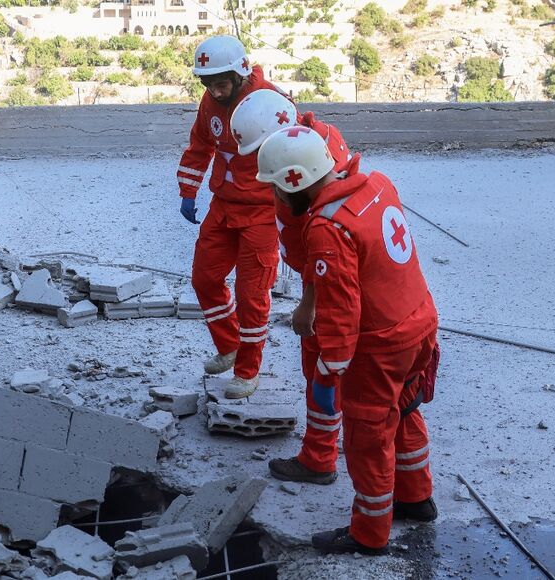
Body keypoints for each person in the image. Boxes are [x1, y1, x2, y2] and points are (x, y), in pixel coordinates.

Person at [256, 126, 441, 555]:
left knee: (367, 435)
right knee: (406, 408)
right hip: (418, 322)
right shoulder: (376, 183)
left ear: (296, 181)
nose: (278, 202)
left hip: (381, 345)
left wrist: (328, 371)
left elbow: (341, 316)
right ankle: (416, 498)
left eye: (279, 192)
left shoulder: (327, 228)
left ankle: (369, 533)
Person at [230, 89, 351, 485]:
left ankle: (320, 457)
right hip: (343, 276)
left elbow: (323, 248)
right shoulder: (321, 145)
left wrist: (309, 304)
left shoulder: (299, 185)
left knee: (321, 370)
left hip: (330, 284)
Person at [176, 36, 289, 399]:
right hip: (223, 206)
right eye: (207, 83)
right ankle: (230, 344)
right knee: (204, 278)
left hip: (261, 213)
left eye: (220, 82)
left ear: (240, 72)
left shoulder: (271, 101)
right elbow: (200, 145)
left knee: (251, 294)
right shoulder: (210, 102)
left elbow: (295, 153)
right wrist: (188, 191)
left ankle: (247, 370)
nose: (214, 90)